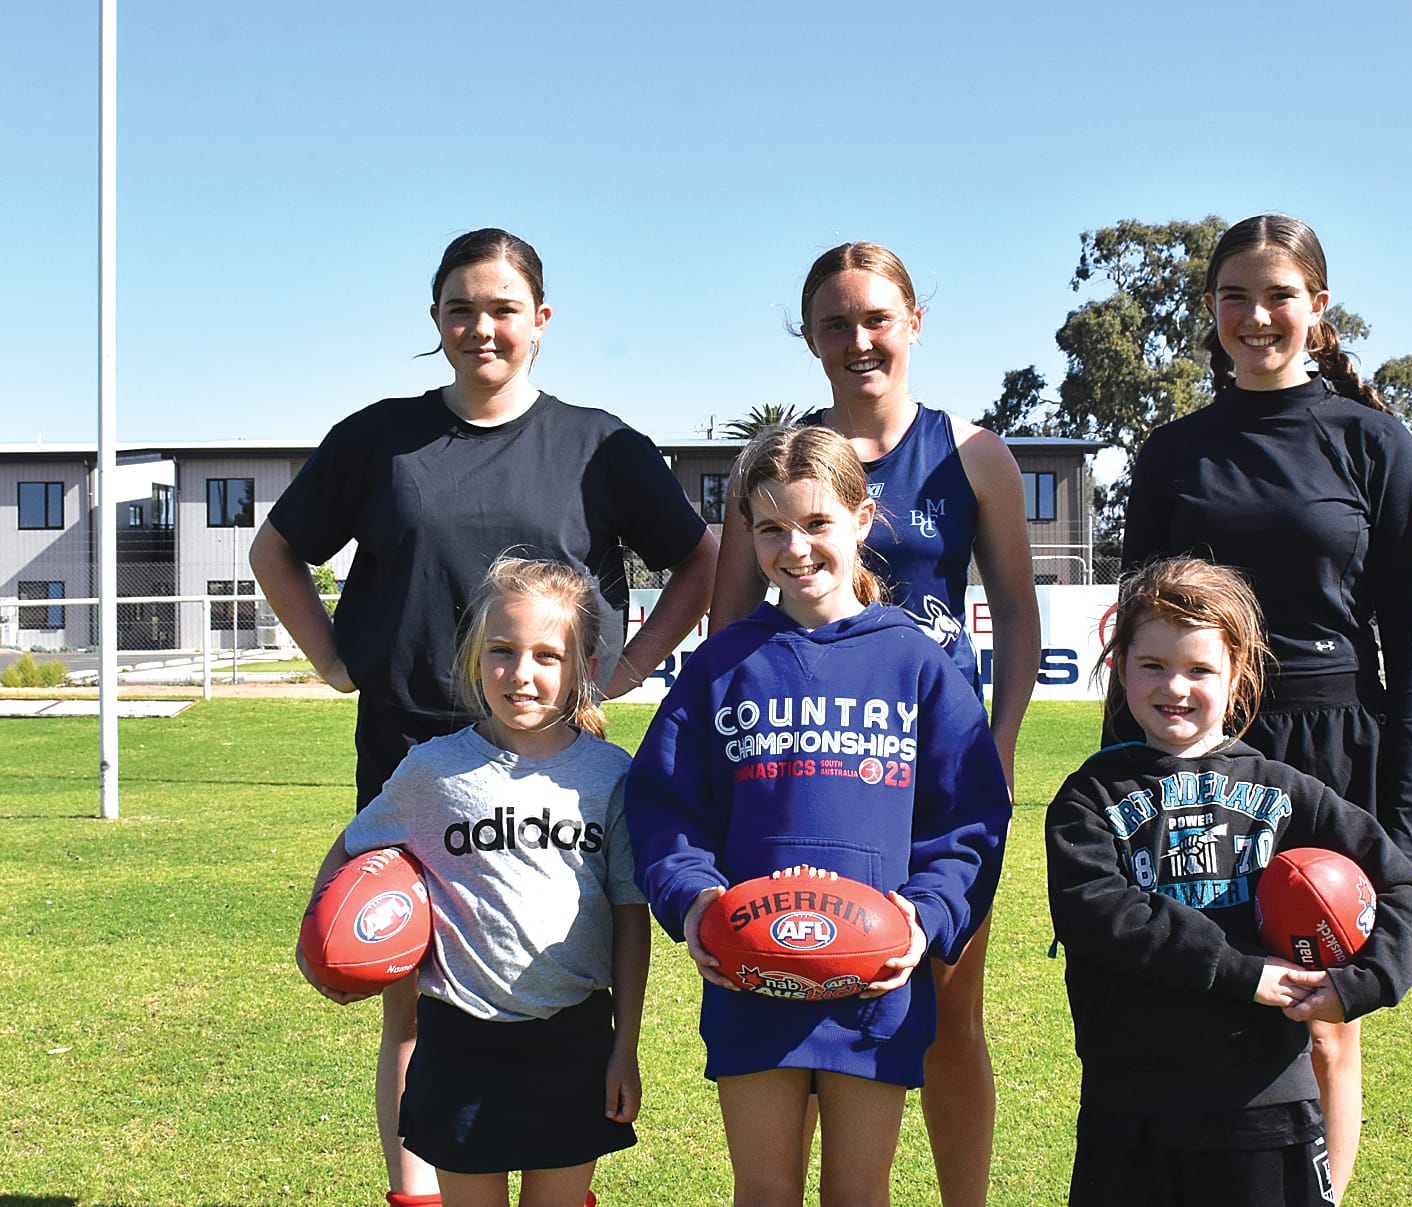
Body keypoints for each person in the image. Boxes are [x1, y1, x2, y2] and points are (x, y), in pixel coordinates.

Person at [254, 228, 717, 1205]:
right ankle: (418, 1193)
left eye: (504, 307)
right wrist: (333, 659)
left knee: (557, 983)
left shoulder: (601, 445)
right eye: (461, 307)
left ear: (541, 321)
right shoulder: (381, 439)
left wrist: (628, 665)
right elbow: (275, 550)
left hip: (562, 763)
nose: (482, 326)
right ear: (435, 319)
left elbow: (701, 558)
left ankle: (561, 1176)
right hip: (418, 760)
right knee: (417, 1008)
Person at [1109, 213, 1412, 1200]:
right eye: (1235, 298)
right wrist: (1125, 783)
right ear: (1210, 312)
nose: (1258, 316)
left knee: (1323, 1019)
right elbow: (1139, 639)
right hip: (1200, 747)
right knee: (1200, 1002)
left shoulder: (1374, 444)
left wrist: (1405, 831)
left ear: (1319, 310)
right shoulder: (1172, 454)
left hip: (1334, 750)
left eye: (1279, 295)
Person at [708, 242, 1038, 1205]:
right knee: (797, 986)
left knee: (945, 1006)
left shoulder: (975, 455)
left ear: (915, 323)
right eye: (836, 323)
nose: (859, 339)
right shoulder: (777, 465)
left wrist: (1001, 742)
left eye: (877, 318)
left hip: (927, 780)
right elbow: (730, 623)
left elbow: (1016, 609)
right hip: (803, 775)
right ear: (809, 339)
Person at [628, 425, 1011, 1206]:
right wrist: (696, 897)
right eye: (770, 528)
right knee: (764, 1189)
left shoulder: (916, 663)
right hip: (750, 969)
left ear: (862, 520)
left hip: (873, 979)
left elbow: (969, 818)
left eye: (815, 524)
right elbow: (663, 802)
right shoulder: (723, 663)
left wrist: (925, 914)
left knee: (859, 1193)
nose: (794, 548)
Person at [1049, 557, 1412, 1206]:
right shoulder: (1089, 796)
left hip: (1268, 1104)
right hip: (1131, 1110)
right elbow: (1101, 913)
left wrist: (1360, 983)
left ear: (1237, 676)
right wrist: (1241, 971)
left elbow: (1409, 892)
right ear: (1120, 667)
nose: (1176, 686)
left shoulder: (1285, 793)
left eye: (1200, 668)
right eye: (1154, 665)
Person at [298, 556, 647, 1207]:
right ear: (474, 656)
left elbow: (630, 915)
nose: (521, 673)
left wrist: (624, 1046)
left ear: (584, 669)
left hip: (574, 1040)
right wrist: (314, 945)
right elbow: (350, 846)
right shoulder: (433, 771)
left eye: (547, 654)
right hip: (461, 1042)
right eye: (502, 651)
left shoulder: (610, 775)